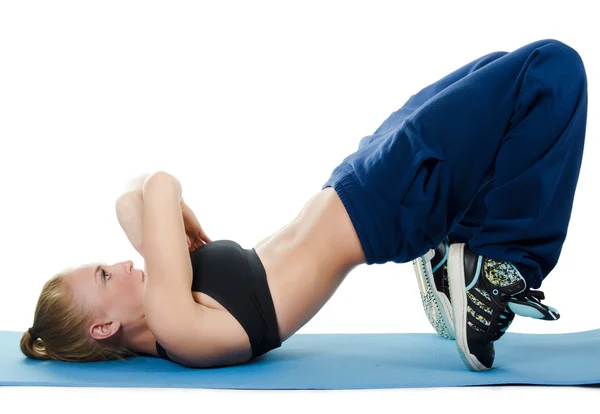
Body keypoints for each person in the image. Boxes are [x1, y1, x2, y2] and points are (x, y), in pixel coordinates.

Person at [21, 38, 587, 371]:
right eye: (102, 274)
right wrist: (177, 224)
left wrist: (170, 228)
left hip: (359, 184)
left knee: (497, 67)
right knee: (551, 70)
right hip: (385, 202)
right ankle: (499, 273)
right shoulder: (172, 320)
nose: (119, 262)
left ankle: (457, 258)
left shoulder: (167, 293)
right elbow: (161, 183)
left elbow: (131, 196)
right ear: (103, 328)